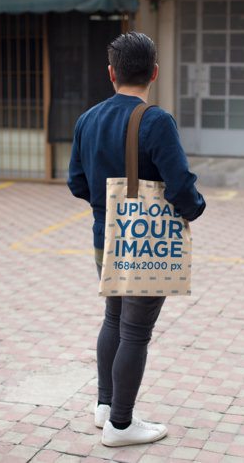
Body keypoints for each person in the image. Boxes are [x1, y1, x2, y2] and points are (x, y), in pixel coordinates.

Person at [67, 32, 206, 447]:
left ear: (111, 73)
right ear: (155, 73)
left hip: (102, 238)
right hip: (143, 241)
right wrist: (194, 208)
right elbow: (180, 186)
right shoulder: (155, 120)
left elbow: (76, 182)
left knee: (113, 319)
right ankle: (122, 426)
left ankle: (105, 406)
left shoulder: (87, 119)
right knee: (136, 333)